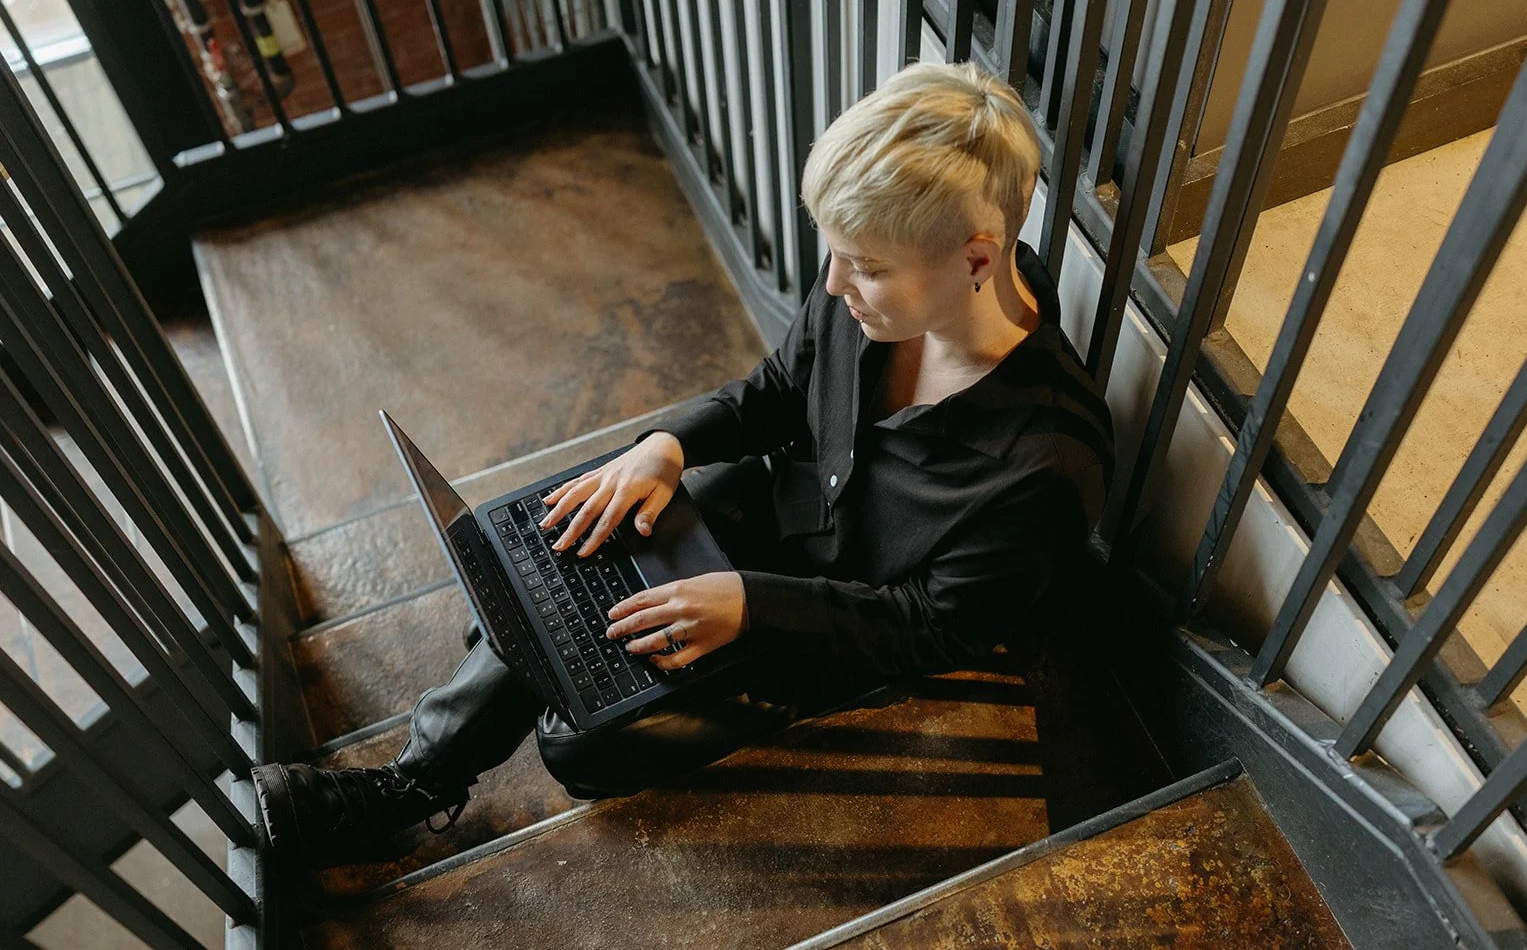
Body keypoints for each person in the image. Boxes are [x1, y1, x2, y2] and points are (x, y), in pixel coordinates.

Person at [250, 60, 1115, 868]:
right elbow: (781, 387)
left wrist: (752, 609)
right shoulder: (872, 282)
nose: (837, 284)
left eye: (868, 269)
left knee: (576, 741)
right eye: (837, 253)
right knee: (557, 542)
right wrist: (665, 446)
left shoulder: (1045, 468)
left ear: (976, 255)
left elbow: (931, 628)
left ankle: (544, 668)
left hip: (823, 628)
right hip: (771, 511)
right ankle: (414, 783)